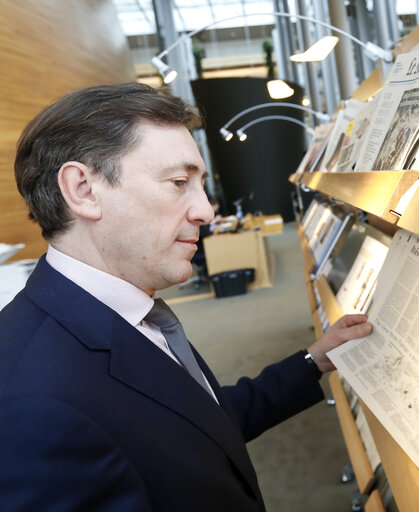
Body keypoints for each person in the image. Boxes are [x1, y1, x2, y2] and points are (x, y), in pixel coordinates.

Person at [0, 82, 372, 511]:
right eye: (178, 182)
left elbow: (193, 418)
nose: (207, 212)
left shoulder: (130, 308)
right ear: (83, 190)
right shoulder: (28, 406)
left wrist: (313, 361)